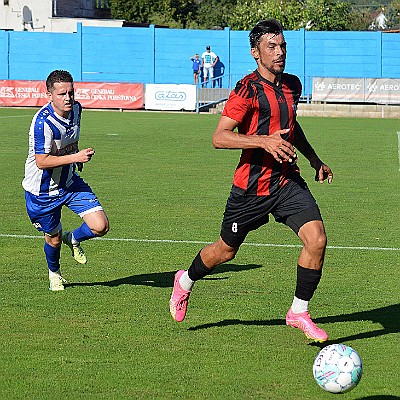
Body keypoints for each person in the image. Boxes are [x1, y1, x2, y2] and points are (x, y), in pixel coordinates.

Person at [170, 19, 333, 343]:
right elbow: (220, 137)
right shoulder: (247, 89)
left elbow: (291, 128)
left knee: (316, 240)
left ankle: (298, 311)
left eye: (282, 45)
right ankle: (185, 280)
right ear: (255, 52)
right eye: (271, 46)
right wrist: (263, 141)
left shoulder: (292, 85)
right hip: (250, 189)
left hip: (286, 181)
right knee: (224, 252)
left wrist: (314, 159)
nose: (279, 52)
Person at [22, 69, 109, 291]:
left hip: (69, 182)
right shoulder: (42, 123)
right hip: (43, 192)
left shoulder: (77, 109)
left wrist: (76, 155)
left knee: (100, 226)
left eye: (71, 92)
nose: (68, 98)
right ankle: (55, 273)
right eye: (62, 94)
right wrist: (75, 157)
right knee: (53, 238)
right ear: (49, 95)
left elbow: (69, 138)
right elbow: (41, 161)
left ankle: (75, 238)